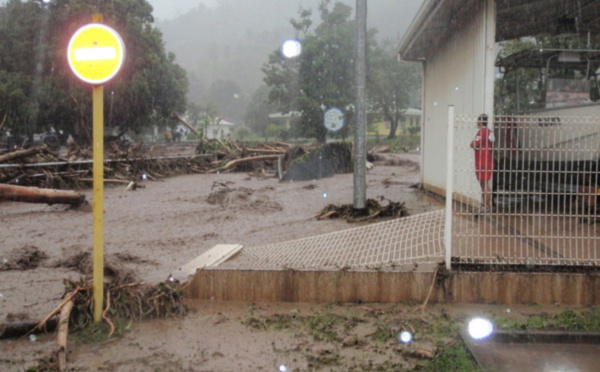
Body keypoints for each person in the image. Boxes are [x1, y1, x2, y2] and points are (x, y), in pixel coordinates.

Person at [470, 113, 494, 212]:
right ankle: (484, 204)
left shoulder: (481, 132)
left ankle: (487, 206)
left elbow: (474, 144)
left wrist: (472, 144)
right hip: (488, 160)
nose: (476, 122)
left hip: (482, 161)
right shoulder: (489, 132)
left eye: (477, 120)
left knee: (484, 185)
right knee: (484, 184)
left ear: (480, 122)